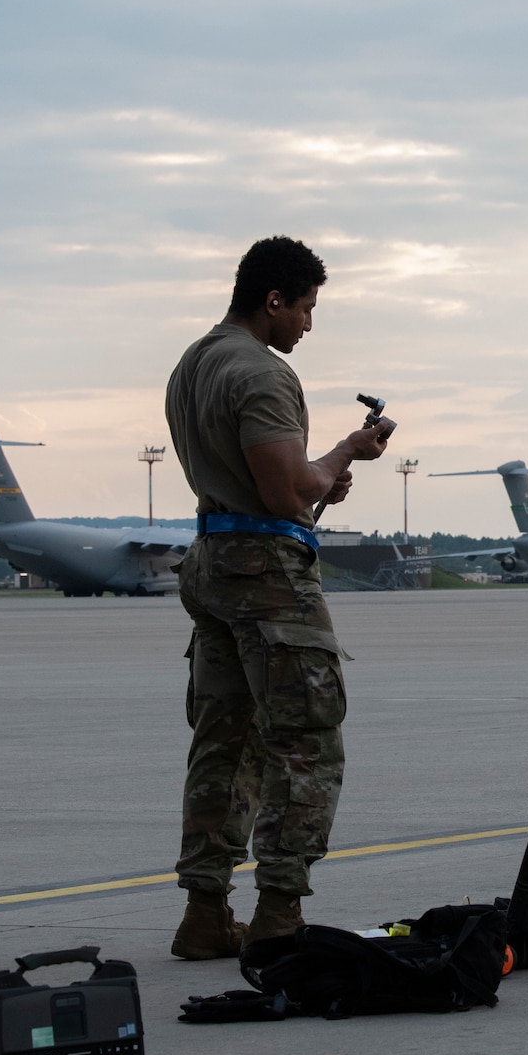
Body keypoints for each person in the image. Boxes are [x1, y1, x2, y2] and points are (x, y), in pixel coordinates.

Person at [163, 235, 392, 959]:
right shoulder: (262, 373)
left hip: (213, 562)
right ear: (274, 300)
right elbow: (284, 491)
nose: (308, 325)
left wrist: (315, 476)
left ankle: (205, 911)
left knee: (223, 739)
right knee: (305, 740)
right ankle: (279, 913)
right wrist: (344, 454)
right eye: (306, 308)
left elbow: (276, 483)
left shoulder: (193, 363)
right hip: (266, 574)